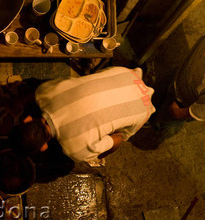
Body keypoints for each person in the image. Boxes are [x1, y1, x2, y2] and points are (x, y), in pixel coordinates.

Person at [11, 67, 156, 162]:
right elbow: (31, 95)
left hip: (144, 108)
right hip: (126, 74)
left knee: (123, 135)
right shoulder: (45, 93)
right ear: (27, 119)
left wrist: (102, 155)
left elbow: (117, 139)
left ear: (43, 147)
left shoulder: (76, 151)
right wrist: (17, 103)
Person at [166, 35, 205, 121]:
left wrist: (175, 110)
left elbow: (178, 113)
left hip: (180, 101)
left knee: (163, 120)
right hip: (181, 76)